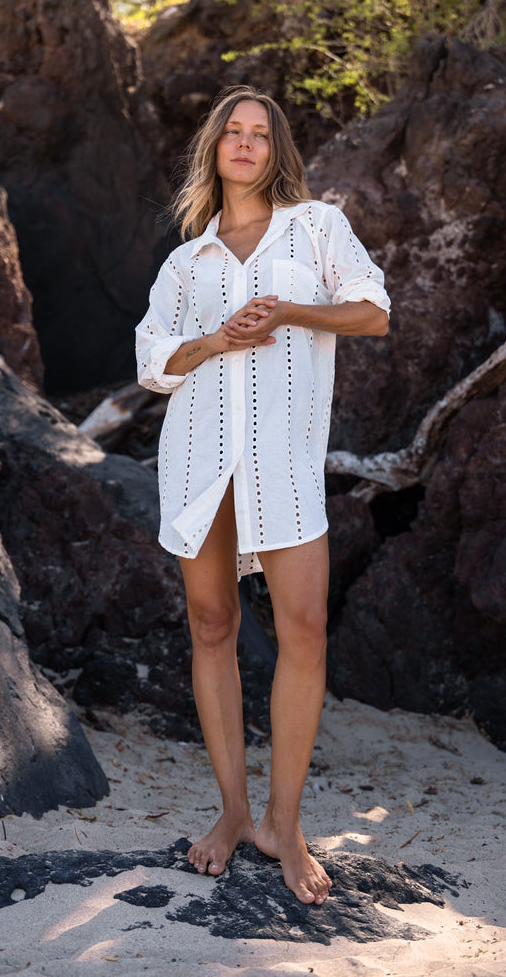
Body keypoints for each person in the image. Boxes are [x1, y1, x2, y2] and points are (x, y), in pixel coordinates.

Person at [135, 85, 390, 905]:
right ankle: (234, 812)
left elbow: (374, 311)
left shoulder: (316, 227)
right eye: (232, 132)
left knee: (304, 629)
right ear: (214, 148)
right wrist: (216, 337)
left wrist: (295, 310)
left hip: (283, 465)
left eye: (259, 134)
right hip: (201, 463)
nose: (244, 144)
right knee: (213, 625)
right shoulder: (186, 261)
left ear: (277, 150)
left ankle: (286, 820)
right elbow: (151, 364)